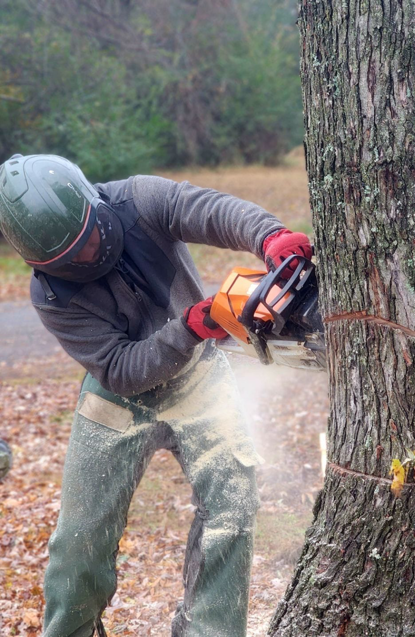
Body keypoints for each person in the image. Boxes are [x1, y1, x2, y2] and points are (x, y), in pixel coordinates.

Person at [0, 154, 312, 637]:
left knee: (231, 509)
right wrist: (188, 329)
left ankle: (208, 630)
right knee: (78, 544)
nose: (86, 257)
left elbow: (212, 210)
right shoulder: (51, 296)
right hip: (117, 398)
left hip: (200, 377)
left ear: (93, 202)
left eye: (89, 239)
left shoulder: (138, 199)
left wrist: (271, 237)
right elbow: (121, 370)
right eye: (68, 260)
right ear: (39, 263)